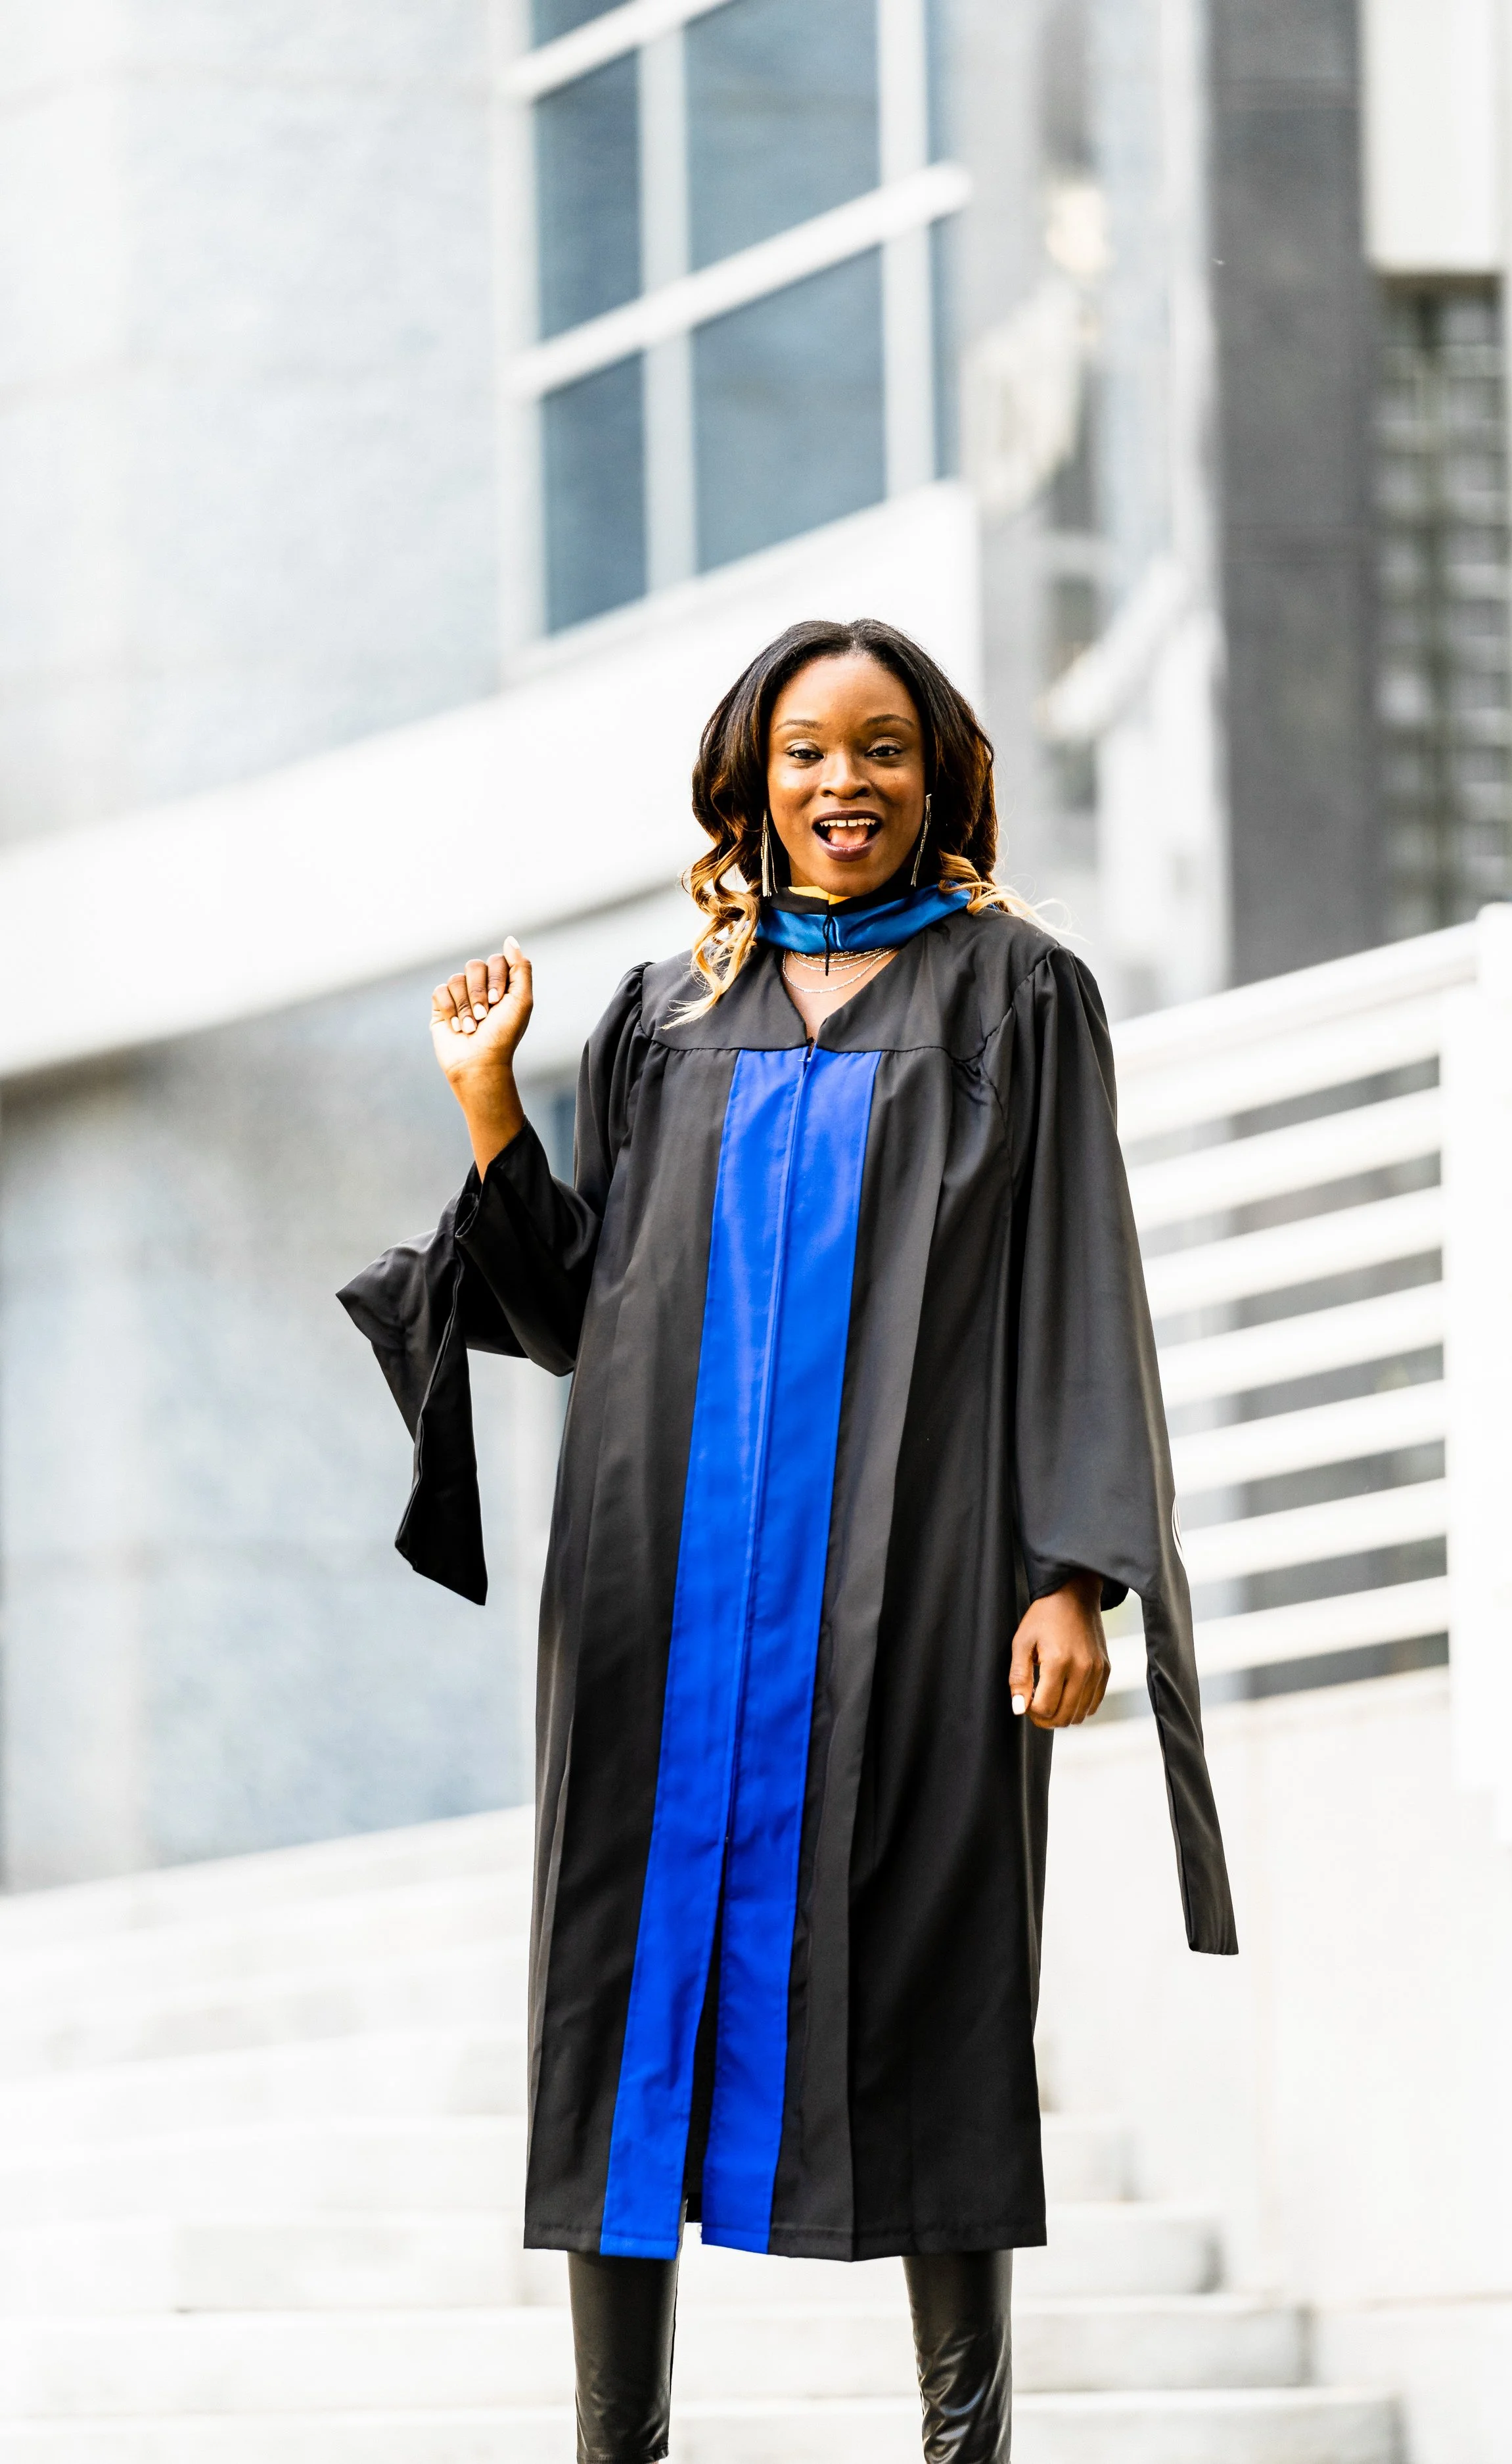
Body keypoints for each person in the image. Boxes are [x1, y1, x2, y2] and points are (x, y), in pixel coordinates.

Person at [340, 618, 1235, 2464]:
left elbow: (1078, 1275)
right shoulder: (668, 1011)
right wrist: (491, 1103)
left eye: (883, 747)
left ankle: (965, 2444)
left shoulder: (1016, 992)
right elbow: (583, 1311)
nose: (845, 781)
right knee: (616, 2002)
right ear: (752, 778)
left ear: (939, 774)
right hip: (658, 1597)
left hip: (915, 1595)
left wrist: (1071, 1571)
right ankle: (616, 2445)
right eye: (809, 750)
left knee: (937, 1983)